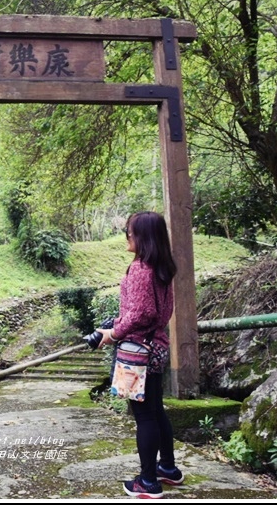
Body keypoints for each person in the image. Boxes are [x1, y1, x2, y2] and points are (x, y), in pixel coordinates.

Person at [95, 211, 185, 499]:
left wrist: (113, 333)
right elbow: (156, 312)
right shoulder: (162, 268)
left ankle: (147, 482)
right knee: (156, 410)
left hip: (136, 352)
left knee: (144, 416)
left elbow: (139, 314)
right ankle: (167, 468)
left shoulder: (139, 269)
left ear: (143, 237)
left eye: (130, 231)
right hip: (156, 346)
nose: (127, 235)